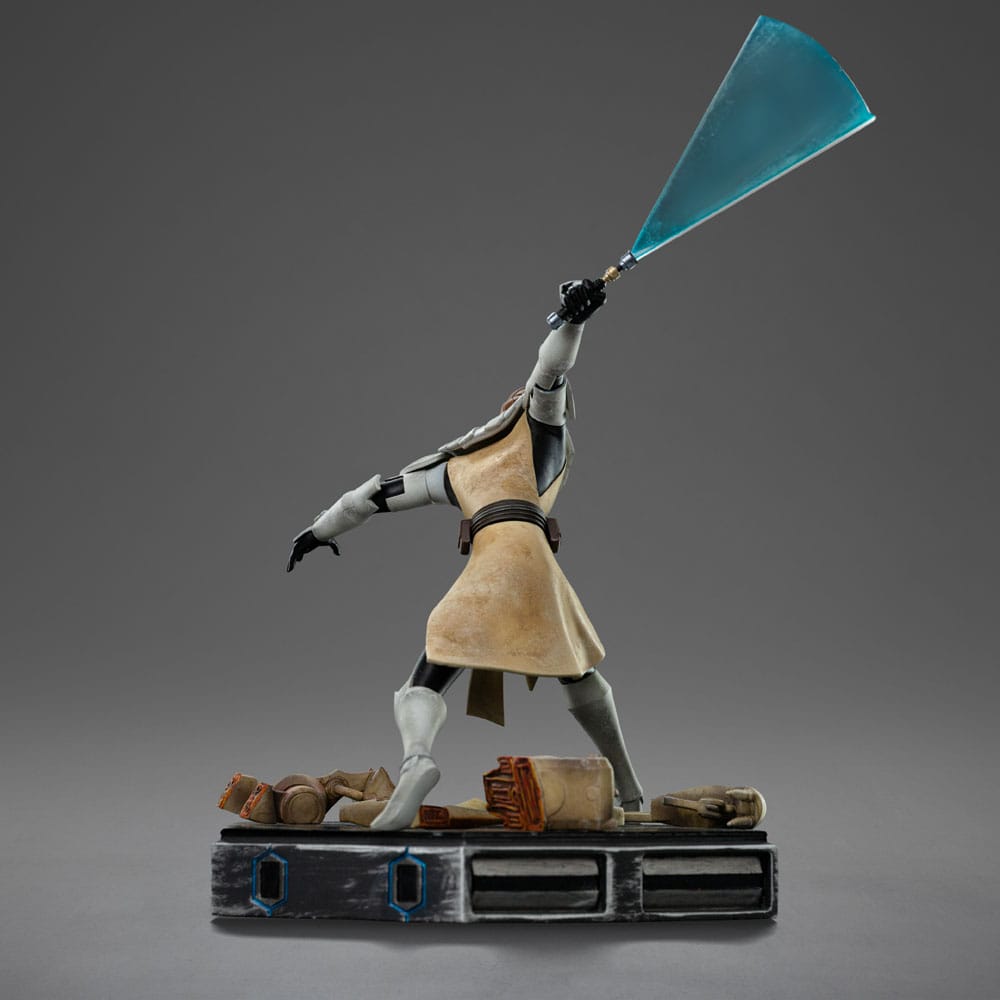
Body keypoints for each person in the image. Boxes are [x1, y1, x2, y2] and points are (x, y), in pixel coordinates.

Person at [286, 279, 643, 830]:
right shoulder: (521, 445)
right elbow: (548, 375)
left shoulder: (465, 465)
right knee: (577, 669)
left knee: (426, 678)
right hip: (533, 566)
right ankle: (630, 788)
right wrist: (571, 322)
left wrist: (317, 530)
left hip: (494, 564)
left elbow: (373, 497)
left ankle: (418, 760)